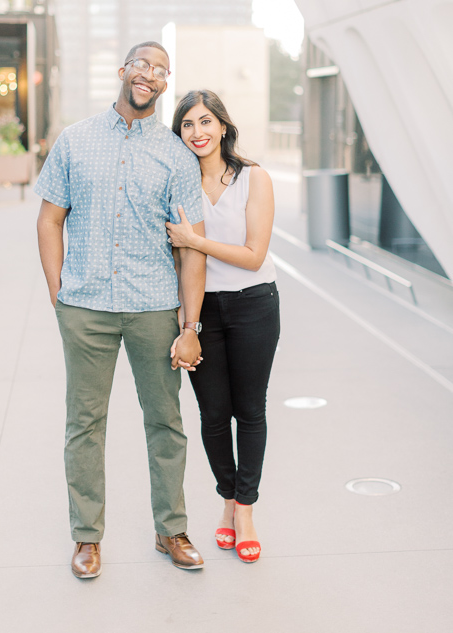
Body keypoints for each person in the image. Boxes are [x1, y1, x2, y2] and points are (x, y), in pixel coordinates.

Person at [35, 42, 206, 579]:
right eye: (141, 65)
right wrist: (58, 292)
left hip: (154, 307)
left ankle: (171, 529)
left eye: (160, 70)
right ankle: (87, 538)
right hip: (85, 307)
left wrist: (190, 326)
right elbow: (49, 219)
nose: (149, 75)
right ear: (123, 71)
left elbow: (191, 246)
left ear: (164, 84)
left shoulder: (177, 155)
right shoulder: (75, 141)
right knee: (84, 424)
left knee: (166, 422)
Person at [166, 90, 280, 564]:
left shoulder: (254, 179)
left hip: (254, 305)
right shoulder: (177, 182)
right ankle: (227, 498)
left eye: (206, 121)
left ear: (223, 126)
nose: (198, 132)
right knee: (213, 414)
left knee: (249, 411)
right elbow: (175, 258)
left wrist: (195, 240)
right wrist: (184, 321)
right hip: (202, 311)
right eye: (188, 124)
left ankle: (245, 509)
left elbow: (254, 257)